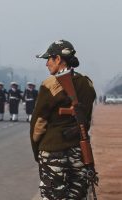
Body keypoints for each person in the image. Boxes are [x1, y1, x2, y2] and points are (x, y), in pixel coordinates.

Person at [31, 39, 96, 199]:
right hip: (78, 150)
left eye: (48, 59)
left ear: (58, 59)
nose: (46, 64)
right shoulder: (87, 84)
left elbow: (38, 125)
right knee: (78, 195)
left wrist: (37, 150)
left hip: (52, 149)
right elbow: (86, 119)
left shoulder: (49, 85)